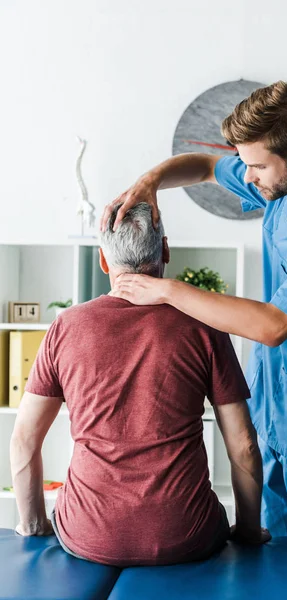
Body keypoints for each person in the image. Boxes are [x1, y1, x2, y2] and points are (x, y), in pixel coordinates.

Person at [102, 80, 287, 537]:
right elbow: (203, 166)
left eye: (256, 166)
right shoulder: (282, 187)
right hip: (273, 400)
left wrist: (166, 291)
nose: (249, 176)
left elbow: (275, 325)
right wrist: (151, 180)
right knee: (274, 550)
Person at [10, 203, 269, 567]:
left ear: (103, 261)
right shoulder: (204, 326)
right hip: (187, 534)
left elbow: (24, 440)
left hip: (86, 533)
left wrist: (33, 524)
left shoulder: (65, 327)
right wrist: (248, 530)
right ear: (164, 250)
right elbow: (243, 444)